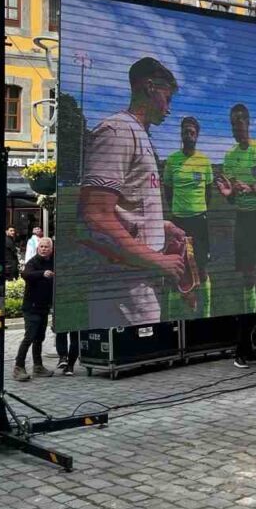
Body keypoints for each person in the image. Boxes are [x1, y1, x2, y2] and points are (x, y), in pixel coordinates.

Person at [78, 57, 190, 327]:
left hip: (139, 280)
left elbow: (128, 207)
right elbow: (95, 216)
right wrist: (157, 260)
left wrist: (160, 225)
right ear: (150, 87)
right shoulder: (117, 132)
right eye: (168, 98)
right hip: (123, 286)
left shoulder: (139, 134)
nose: (169, 109)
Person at [217, 103, 256, 316]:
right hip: (243, 220)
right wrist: (228, 194)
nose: (235, 128)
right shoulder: (229, 156)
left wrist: (251, 188)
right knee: (248, 276)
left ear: (248, 123)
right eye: (232, 124)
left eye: (239, 123)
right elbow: (233, 198)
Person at [162, 116, 213, 317]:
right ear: (181, 134)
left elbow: (208, 193)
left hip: (199, 222)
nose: (189, 135)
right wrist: (179, 210)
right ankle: (173, 316)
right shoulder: (172, 160)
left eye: (192, 132)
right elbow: (168, 191)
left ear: (197, 135)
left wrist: (197, 209)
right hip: (178, 222)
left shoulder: (204, 161)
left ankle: (206, 313)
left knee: (202, 268)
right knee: (176, 271)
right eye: (185, 131)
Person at [14, 237, 56, 380]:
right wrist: (42, 274)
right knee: (29, 337)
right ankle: (18, 367)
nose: (43, 249)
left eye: (46, 247)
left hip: (44, 307)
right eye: (41, 246)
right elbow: (25, 274)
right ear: (38, 248)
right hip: (31, 307)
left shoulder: (53, 261)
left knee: (39, 338)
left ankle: (38, 366)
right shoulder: (33, 262)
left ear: (51, 249)